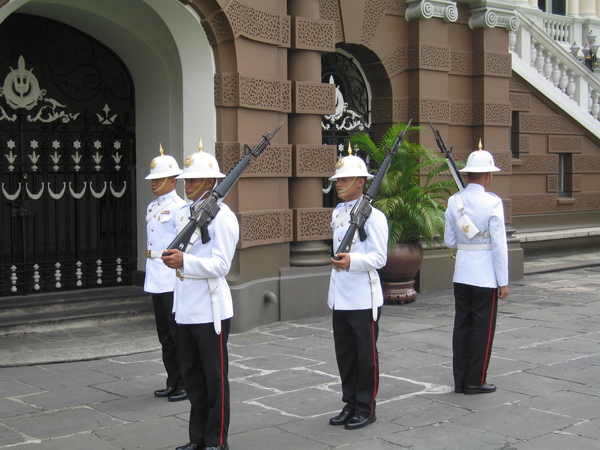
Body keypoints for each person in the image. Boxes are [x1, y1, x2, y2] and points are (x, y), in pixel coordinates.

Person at [162, 147, 239, 450]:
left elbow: (221, 265)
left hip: (210, 308)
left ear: (209, 182)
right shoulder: (184, 212)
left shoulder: (223, 217)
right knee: (193, 380)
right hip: (186, 308)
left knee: (214, 380)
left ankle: (216, 441)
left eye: (193, 180)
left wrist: (185, 262)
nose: (187, 185)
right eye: (186, 180)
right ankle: (197, 439)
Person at [327, 149, 388, 430]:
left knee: (365, 356)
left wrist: (352, 261)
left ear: (361, 182)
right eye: (338, 180)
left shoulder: (374, 216)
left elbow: (379, 258)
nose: (338, 184)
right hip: (340, 295)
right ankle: (350, 403)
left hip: (363, 295)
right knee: (345, 354)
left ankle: (365, 407)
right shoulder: (339, 212)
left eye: (344, 179)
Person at [444, 143, 509, 395]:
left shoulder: (454, 201)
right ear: (488, 176)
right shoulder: (493, 202)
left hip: (462, 273)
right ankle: (475, 381)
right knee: (482, 328)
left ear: (469, 174)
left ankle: (460, 381)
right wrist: (503, 282)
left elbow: (450, 241)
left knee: (462, 325)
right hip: (485, 276)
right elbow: (499, 245)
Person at [144, 144, 188, 402]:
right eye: (153, 179)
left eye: (159, 178)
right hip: (156, 277)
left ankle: (185, 383)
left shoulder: (180, 208)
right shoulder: (152, 207)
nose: (154, 183)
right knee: (164, 336)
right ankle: (172, 381)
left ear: (172, 180)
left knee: (177, 334)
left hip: (171, 279)